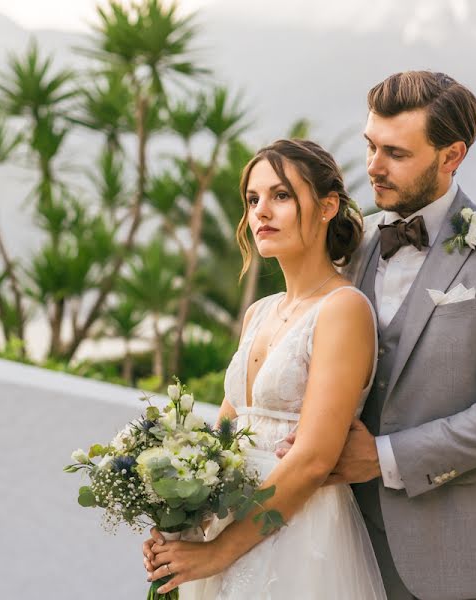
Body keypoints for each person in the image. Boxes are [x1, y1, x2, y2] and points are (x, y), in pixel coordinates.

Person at [285, 71, 476, 599]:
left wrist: (384, 456)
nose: (373, 168)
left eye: (396, 153)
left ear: (451, 156)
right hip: (353, 559)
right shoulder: (353, 245)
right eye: (369, 146)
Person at [143, 138, 388, 598]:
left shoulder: (343, 309)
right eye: (253, 199)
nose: (260, 212)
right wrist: (180, 524)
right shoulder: (258, 312)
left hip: (298, 534)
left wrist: (221, 552)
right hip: (226, 532)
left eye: (280, 196)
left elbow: (315, 460)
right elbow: (222, 440)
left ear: (327, 206)